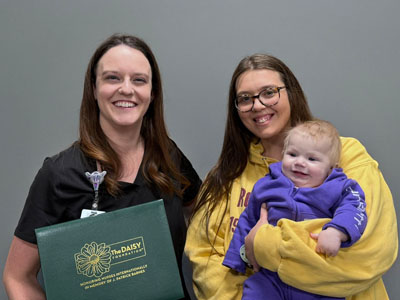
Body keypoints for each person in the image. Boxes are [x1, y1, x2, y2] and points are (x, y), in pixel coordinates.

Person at [3, 33, 201, 300]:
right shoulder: (60, 174)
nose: (127, 89)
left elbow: (206, 218)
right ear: (94, 89)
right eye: (112, 78)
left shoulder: (168, 156)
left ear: (152, 94)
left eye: (139, 80)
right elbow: (17, 276)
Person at [185, 53, 398, 300]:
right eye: (245, 99)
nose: (257, 105)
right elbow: (205, 260)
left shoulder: (345, 156)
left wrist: (263, 244)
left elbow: (369, 254)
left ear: (291, 93)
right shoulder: (223, 175)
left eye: (269, 92)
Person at [223, 120, 367, 300]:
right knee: (254, 291)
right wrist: (237, 256)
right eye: (292, 154)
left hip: (317, 279)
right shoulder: (268, 184)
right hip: (272, 276)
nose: (299, 162)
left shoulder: (340, 187)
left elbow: (355, 209)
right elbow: (248, 218)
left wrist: (337, 231)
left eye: (312, 159)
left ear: (331, 168)